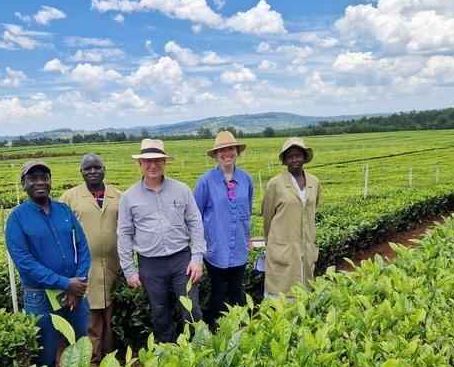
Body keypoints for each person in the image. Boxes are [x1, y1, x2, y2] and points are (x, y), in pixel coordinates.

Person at [5, 160, 90, 367]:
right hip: (41, 298)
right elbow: (25, 264)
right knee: (45, 358)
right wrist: (65, 284)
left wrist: (78, 283)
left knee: (80, 352)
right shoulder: (16, 219)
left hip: (76, 295)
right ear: (23, 183)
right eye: (33, 178)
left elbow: (82, 246)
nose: (40, 182)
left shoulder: (64, 211)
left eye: (44, 177)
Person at [117, 138, 206, 342]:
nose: (153, 165)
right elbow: (124, 234)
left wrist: (197, 258)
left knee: (191, 309)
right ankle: (168, 353)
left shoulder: (181, 189)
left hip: (181, 260)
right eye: (147, 161)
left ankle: (199, 350)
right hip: (150, 263)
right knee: (159, 311)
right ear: (140, 164)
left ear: (165, 162)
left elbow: (195, 223)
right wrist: (129, 270)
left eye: (158, 160)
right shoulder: (129, 197)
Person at [60, 153, 120, 367]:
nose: (93, 172)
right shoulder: (69, 197)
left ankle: (110, 362)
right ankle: (92, 366)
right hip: (85, 269)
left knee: (110, 318)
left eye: (97, 167)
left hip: (114, 267)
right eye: (88, 168)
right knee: (91, 320)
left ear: (104, 169)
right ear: (81, 172)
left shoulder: (117, 195)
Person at [194, 131, 254, 324]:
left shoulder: (246, 179)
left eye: (230, 149)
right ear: (216, 155)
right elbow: (196, 216)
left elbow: (248, 209)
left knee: (237, 289)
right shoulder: (205, 181)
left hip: (239, 246)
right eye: (222, 150)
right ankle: (216, 330)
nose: (226, 153)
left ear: (237, 152)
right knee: (218, 291)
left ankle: (243, 329)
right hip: (215, 248)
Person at [261, 137, 321, 298]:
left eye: (298, 155)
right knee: (280, 295)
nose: (294, 159)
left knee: (305, 291)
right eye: (290, 156)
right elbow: (267, 216)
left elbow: (312, 210)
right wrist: (270, 241)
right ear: (285, 160)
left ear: (304, 157)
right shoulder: (275, 184)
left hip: (306, 246)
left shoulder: (314, 182)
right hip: (283, 247)